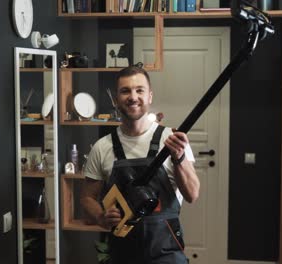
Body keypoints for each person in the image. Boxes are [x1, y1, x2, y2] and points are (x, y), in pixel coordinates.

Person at [80, 65, 200, 264]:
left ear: (150, 96)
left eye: (139, 90)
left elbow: (192, 194)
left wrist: (179, 159)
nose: (133, 97)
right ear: (116, 99)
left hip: (167, 254)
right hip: (123, 254)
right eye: (125, 91)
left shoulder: (172, 140)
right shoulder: (102, 148)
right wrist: (101, 217)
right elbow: (86, 198)